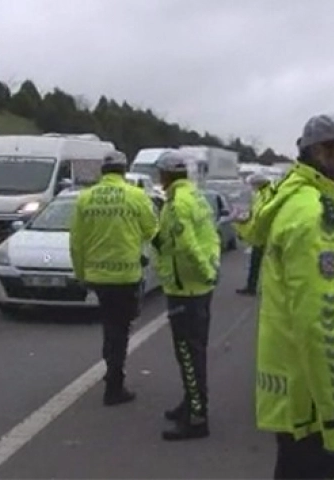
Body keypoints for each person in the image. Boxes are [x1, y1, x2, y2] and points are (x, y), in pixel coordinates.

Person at [245, 113, 334, 479]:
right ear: (322, 153)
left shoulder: (297, 203)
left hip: (301, 398)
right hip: (316, 407)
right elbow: (322, 326)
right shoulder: (316, 219)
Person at [69, 150, 159, 406]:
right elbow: (153, 231)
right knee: (120, 329)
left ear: (102, 172)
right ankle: (114, 384)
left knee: (110, 326)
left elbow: (77, 242)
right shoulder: (136, 196)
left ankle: (112, 371)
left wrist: (80, 274)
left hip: (98, 276)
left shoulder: (85, 198)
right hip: (126, 275)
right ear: (123, 170)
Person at [150, 150, 221, 441]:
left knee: (189, 355)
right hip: (197, 288)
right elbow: (210, 236)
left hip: (187, 289)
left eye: (160, 173)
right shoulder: (195, 197)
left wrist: (205, 272)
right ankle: (190, 402)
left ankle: (197, 417)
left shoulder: (178, 204)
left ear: (167, 175)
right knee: (193, 352)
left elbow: (188, 246)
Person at [235, 173, 273, 296]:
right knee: (255, 263)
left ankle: (271, 289)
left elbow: (265, 215)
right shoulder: (258, 195)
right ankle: (251, 287)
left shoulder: (270, 194)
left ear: (260, 184)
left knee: (270, 265)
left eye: (253, 184)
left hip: (268, 236)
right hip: (259, 236)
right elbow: (254, 214)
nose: (252, 187)